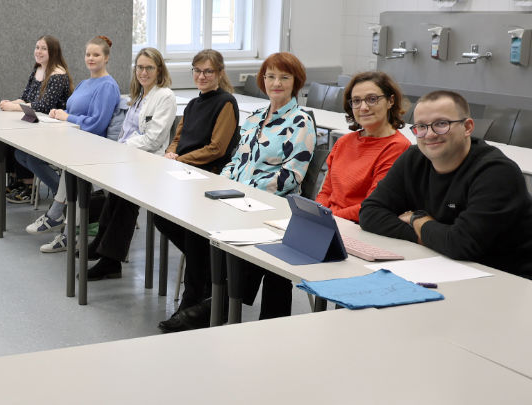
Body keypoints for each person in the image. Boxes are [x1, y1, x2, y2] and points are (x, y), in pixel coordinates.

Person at [159, 52, 316, 332]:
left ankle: (214, 304)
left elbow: (291, 176)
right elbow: (235, 160)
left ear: (296, 82)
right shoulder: (255, 117)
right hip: (239, 200)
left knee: (260, 253)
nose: (276, 83)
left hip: (273, 207)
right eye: (270, 76)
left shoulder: (301, 121)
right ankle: (202, 297)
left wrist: (246, 192)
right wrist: (225, 188)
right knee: (194, 225)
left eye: (284, 77)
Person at [361, 91, 532, 279]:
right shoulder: (413, 159)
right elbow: (370, 212)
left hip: (504, 280)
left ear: (467, 127)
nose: (430, 134)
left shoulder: (497, 173)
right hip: (443, 267)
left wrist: (417, 220)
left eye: (441, 124)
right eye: (421, 126)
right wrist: (430, 237)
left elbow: (462, 244)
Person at [150, 49, 239, 328]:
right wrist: (171, 153)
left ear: (220, 73)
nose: (201, 76)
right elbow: (178, 138)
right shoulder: (192, 104)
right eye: (197, 71)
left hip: (208, 177)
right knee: (160, 217)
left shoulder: (226, 102)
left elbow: (217, 148)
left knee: (192, 232)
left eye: (208, 71)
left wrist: (181, 161)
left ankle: (192, 299)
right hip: (184, 174)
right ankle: (209, 272)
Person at [84, 47, 177, 279]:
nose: (143, 72)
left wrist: (122, 149)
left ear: (159, 70)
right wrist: (118, 151)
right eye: (140, 67)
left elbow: (153, 139)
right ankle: (101, 244)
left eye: (149, 68)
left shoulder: (164, 96)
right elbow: (125, 132)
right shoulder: (138, 95)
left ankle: (111, 261)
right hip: (129, 158)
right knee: (114, 195)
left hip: (150, 163)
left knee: (125, 199)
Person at [23, 36, 121, 252]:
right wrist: (59, 114)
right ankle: (61, 222)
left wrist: (67, 117)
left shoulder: (107, 86)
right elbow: (71, 111)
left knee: (70, 165)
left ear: (106, 58)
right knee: (37, 157)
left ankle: (59, 220)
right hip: (74, 140)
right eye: (88, 54)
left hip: (94, 146)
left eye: (96, 55)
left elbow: (96, 124)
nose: (91, 58)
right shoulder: (85, 83)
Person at [315, 71, 411, 222]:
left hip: (359, 225)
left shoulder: (397, 147)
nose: (363, 107)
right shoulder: (343, 142)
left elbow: (371, 207)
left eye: (372, 99)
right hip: (331, 221)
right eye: (356, 101)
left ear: (390, 101)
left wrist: (327, 218)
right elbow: (326, 192)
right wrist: (316, 215)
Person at [0, 36, 73, 204]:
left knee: (26, 152)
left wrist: (13, 107)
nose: (38, 51)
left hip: (54, 130)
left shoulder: (58, 74)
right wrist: (9, 103)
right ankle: (22, 182)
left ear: (53, 52)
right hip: (37, 125)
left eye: (43, 48)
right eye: (37, 47)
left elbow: (44, 106)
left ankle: (57, 193)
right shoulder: (37, 69)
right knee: (13, 146)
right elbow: (25, 98)